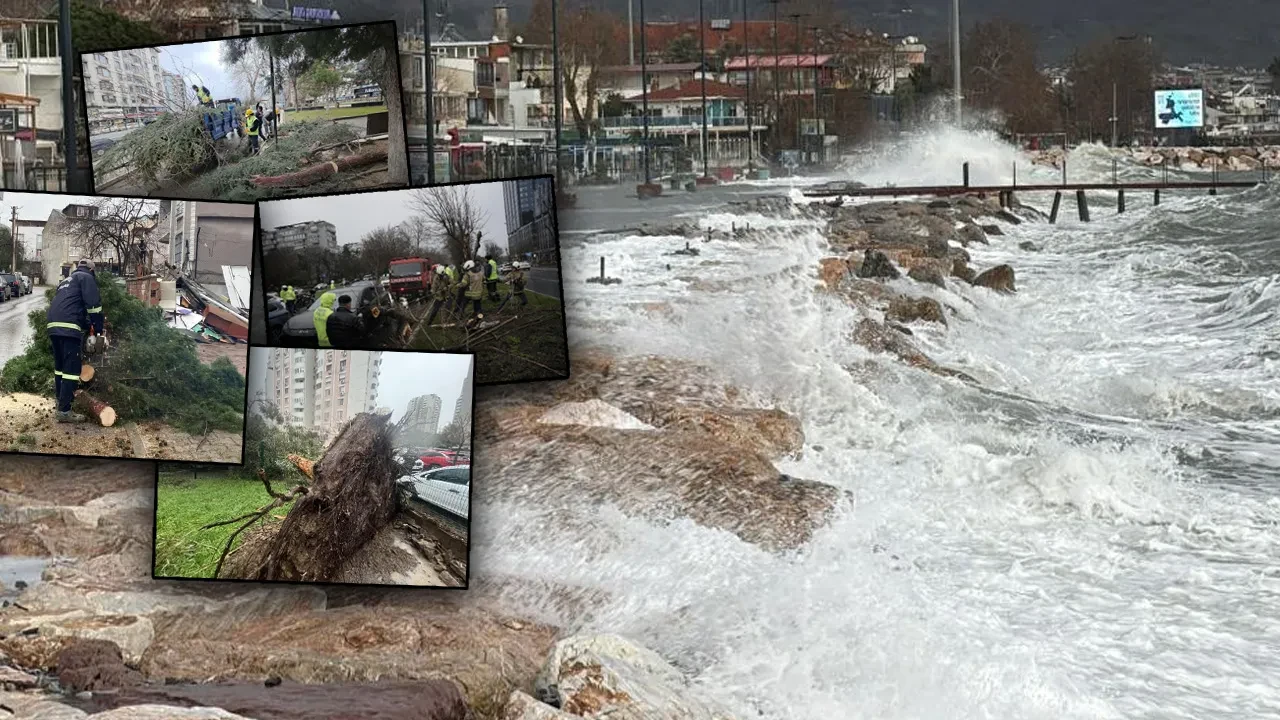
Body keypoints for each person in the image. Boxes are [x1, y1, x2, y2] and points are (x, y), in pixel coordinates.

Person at [45, 259, 104, 424]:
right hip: (68, 327)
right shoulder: (87, 278)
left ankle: (60, 402)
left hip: (53, 325)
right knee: (71, 370)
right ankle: (64, 411)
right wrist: (98, 328)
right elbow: (94, 306)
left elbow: (72, 307)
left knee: (60, 368)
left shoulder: (67, 281)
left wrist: (87, 325)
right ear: (91, 270)